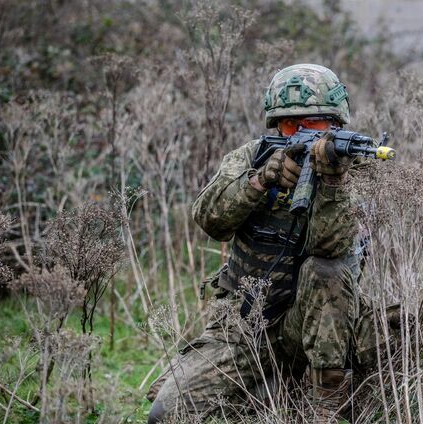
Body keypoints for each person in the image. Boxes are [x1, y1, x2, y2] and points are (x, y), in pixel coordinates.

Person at [147, 64, 372, 423]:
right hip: (242, 324)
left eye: (312, 124)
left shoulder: (356, 168)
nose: (300, 133)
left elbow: (331, 249)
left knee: (326, 270)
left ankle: (327, 410)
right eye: (288, 125)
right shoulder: (252, 156)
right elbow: (210, 220)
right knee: (166, 414)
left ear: (335, 124)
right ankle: (263, 392)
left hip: (313, 324)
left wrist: (332, 183)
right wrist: (260, 180)